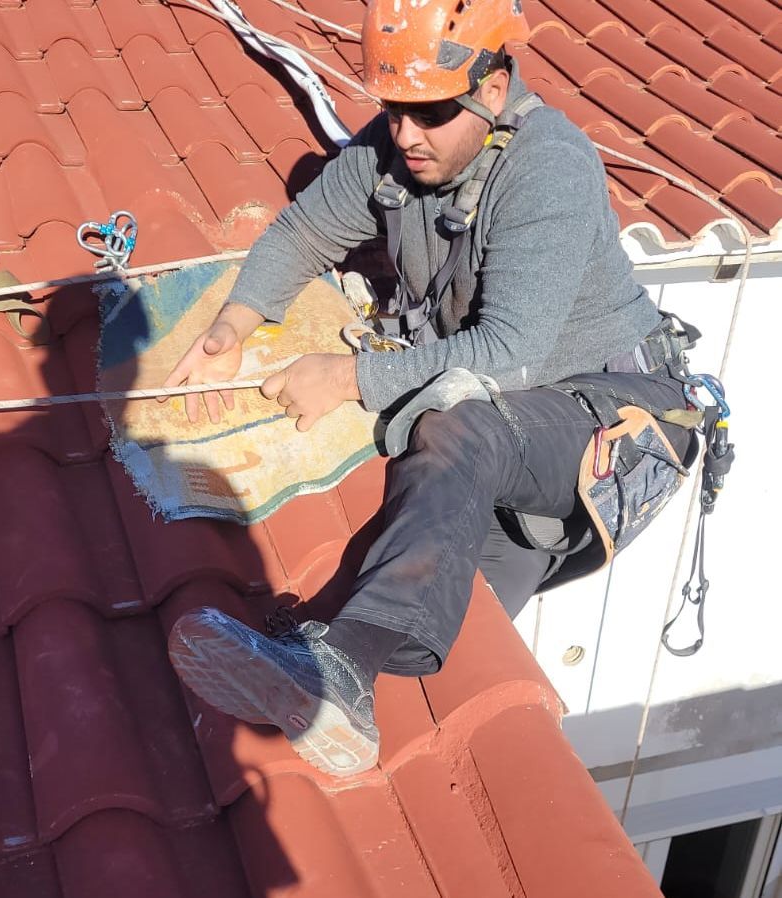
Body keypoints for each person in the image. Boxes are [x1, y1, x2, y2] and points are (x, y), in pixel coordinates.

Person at [163, 0, 697, 777]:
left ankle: (338, 671)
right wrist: (232, 327)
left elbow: (508, 353)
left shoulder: (548, 166)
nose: (407, 134)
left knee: (454, 427)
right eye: (395, 109)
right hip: (512, 426)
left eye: (430, 113)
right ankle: (326, 669)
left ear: (494, 86)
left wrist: (349, 377)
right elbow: (305, 232)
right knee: (430, 592)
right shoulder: (395, 151)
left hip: (604, 415)